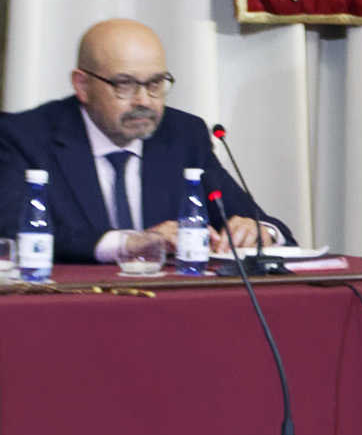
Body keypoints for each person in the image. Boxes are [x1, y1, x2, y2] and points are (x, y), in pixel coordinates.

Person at [3, 19, 276, 265]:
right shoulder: (24, 138)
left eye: (155, 84)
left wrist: (259, 231)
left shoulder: (183, 136)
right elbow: (11, 231)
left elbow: (258, 220)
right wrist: (128, 243)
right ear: (82, 85)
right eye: (125, 85)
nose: (144, 101)